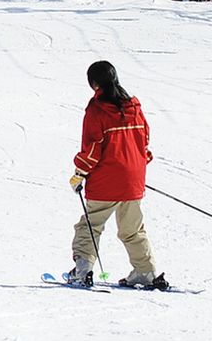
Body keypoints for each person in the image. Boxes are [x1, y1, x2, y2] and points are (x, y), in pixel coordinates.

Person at [65, 60, 168, 290]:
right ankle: (146, 271)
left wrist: (79, 174)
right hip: (133, 179)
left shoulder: (97, 109)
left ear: (94, 84)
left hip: (105, 182)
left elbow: (92, 150)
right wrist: (134, 168)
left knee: (90, 226)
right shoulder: (134, 106)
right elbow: (144, 142)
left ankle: (83, 270)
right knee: (132, 229)